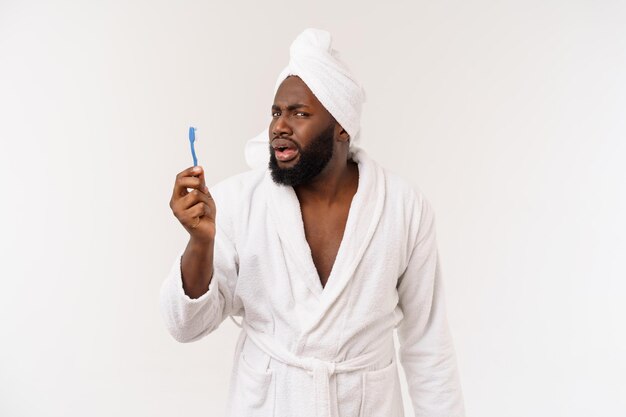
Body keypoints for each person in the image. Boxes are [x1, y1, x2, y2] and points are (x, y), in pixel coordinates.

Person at [161, 28, 465, 417]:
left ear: (342, 126)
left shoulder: (403, 207)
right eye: (276, 112)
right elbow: (185, 326)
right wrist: (200, 242)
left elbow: (428, 345)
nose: (279, 126)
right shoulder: (238, 202)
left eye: (299, 113)